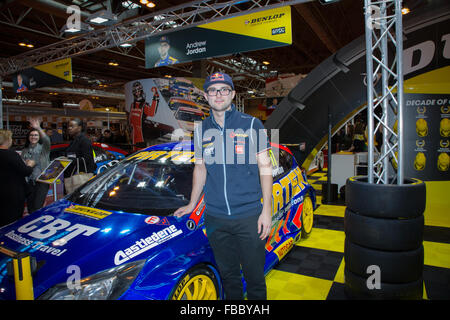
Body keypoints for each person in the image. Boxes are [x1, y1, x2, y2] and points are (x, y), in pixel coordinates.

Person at [174, 72, 273, 300]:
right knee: (229, 277)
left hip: (249, 216)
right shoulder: (200, 131)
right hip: (216, 218)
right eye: (213, 90)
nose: (218, 95)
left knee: (255, 277)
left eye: (224, 90)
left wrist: (266, 210)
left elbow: (265, 167)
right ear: (206, 96)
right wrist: (191, 203)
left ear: (233, 94)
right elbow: (200, 169)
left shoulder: (251, 124)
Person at [0, 129, 35, 227]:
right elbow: (25, 171)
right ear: (7, 140)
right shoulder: (11, 154)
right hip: (12, 193)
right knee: (12, 221)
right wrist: (30, 165)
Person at [21, 118, 51, 214]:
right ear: (28, 137)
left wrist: (38, 128)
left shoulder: (44, 149)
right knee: (30, 207)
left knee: (37, 207)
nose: (33, 137)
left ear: (39, 137)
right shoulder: (25, 150)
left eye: (36, 135)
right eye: (31, 135)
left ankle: (38, 226)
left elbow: (46, 139)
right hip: (29, 181)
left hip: (42, 181)